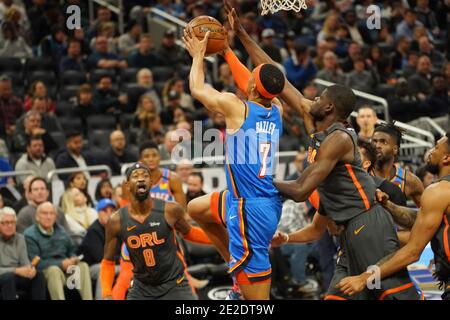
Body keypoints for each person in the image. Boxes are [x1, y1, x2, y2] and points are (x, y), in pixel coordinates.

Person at [222, 1, 419, 300]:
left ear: (328, 107)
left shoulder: (340, 139)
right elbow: (276, 78)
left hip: (368, 226)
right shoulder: (313, 119)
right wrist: (241, 36)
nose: (311, 96)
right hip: (344, 233)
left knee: (393, 296)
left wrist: (257, 183)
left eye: (319, 95)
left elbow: (301, 190)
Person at [184, 21, 286, 299]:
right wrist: (227, 50)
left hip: (249, 209)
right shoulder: (277, 109)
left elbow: (197, 88)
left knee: (258, 301)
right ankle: (236, 263)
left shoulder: (235, 106)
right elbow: (256, 86)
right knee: (196, 209)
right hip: (253, 198)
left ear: (252, 85)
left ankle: (243, 284)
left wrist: (197, 56)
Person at [336, 132, 450, 301]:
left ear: (446, 158)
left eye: (436, 147)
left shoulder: (438, 191)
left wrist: (364, 278)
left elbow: (412, 252)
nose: (430, 151)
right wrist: (388, 205)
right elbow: (418, 219)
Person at [100, 163, 212, 300]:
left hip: (174, 284)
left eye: (145, 176)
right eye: (135, 176)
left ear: (151, 183)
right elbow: (108, 262)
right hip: (142, 287)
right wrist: (106, 294)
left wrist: (222, 238)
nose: (141, 179)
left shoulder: (170, 210)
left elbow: (189, 233)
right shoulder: (115, 221)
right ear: (127, 185)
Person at [24, 202, 93, 300]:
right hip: (46, 272)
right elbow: (35, 263)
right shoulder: (30, 235)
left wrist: (73, 258)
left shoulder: (61, 230)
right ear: (37, 217)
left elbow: (71, 249)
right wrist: (60, 264)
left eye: (52, 213)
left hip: (66, 271)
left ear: (55, 216)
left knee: (83, 266)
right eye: (44, 213)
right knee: (54, 270)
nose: (48, 217)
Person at [371, 123, 424, 206]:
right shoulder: (362, 173)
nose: (377, 145)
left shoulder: (410, 181)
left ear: (395, 149)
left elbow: (425, 213)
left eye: (383, 142)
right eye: (374, 141)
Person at [0, 207, 46, 300]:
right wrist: (16, 270)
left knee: (38, 275)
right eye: (5, 223)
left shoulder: (20, 238)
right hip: (3, 276)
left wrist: (30, 270)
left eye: (12, 222)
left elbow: (25, 262)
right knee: (8, 277)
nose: (9, 226)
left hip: (16, 276)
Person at [77, 198, 120, 300]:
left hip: (114, 263)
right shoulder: (93, 230)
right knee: (104, 269)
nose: (109, 214)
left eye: (112, 211)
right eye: (105, 211)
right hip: (89, 267)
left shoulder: (117, 228)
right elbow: (101, 257)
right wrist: (122, 259)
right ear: (98, 213)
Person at [138, 141, 186, 207]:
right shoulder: (136, 182)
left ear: (159, 157)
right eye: (147, 156)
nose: (151, 159)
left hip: (168, 216)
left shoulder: (172, 178)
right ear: (140, 160)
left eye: (154, 155)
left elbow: (182, 209)